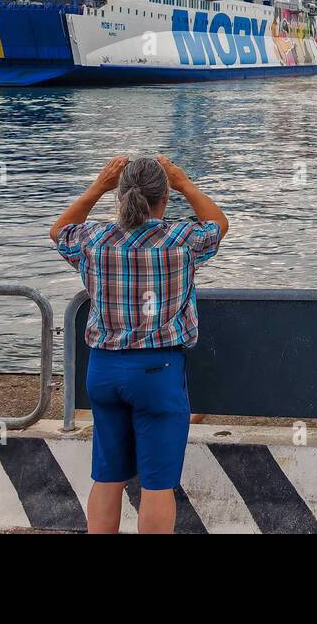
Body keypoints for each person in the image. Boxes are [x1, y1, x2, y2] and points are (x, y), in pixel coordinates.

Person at [50, 154, 229, 534]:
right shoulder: (182, 241)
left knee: (107, 477)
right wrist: (185, 182)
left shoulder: (94, 241)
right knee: (157, 486)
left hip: (103, 370)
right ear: (165, 197)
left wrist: (99, 185)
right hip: (157, 373)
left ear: (120, 194)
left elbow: (59, 230)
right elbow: (218, 224)